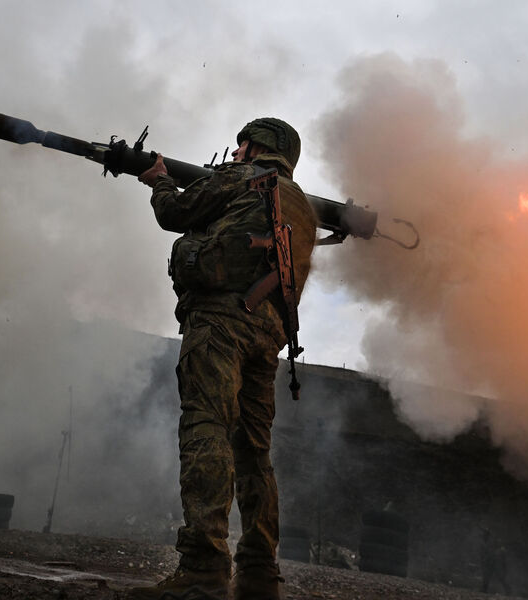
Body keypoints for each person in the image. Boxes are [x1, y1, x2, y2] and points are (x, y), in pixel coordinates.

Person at [131, 118, 317, 600]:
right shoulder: (304, 206)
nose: (234, 153)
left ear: (254, 147)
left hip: (220, 321)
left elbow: (175, 212)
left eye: (241, 146)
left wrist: (159, 180)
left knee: (206, 427)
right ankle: (259, 575)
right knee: (255, 451)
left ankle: (203, 569)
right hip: (269, 334)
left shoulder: (239, 177)